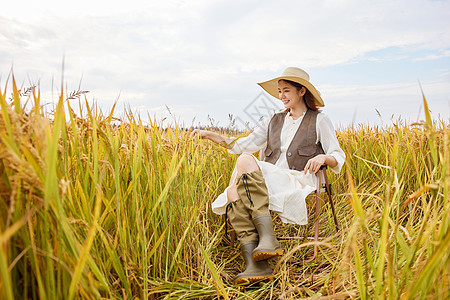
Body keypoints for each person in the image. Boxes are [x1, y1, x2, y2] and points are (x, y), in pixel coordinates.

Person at [190, 67, 345, 285]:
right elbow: (243, 144)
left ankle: (267, 239)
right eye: (280, 91)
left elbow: (337, 154)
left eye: (287, 90)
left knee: (244, 162)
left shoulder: (319, 120)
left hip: (298, 179)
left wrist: (323, 159)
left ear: (302, 91)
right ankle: (256, 264)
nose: (281, 96)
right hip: (269, 180)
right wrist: (210, 135)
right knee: (234, 190)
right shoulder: (273, 120)